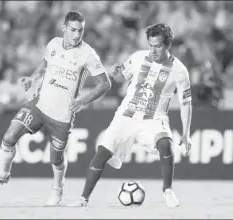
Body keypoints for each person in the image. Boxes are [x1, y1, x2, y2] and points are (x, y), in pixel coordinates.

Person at [0, 11, 111, 207]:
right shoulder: (54, 44)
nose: (77, 35)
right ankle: (3, 174)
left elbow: (105, 83)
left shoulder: (88, 54)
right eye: (73, 30)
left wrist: (84, 100)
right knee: (9, 137)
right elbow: (44, 64)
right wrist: (32, 78)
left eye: (81, 30)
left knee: (56, 158)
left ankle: (57, 188)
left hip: (62, 115)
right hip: (38, 105)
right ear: (64, 28)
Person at [69, 23, 192, 208]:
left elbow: (186, 103)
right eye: (150, 45)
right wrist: (114, 73)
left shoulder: (180, 71)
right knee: (102, 152)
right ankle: (83, 198)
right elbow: (120, 77)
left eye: (157, 46)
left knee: (166, 143)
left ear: (167, 45)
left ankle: (168, 190)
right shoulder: (138, 57)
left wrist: (186, 133)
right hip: (126, 115)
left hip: (154, 118)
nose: (153, 50)